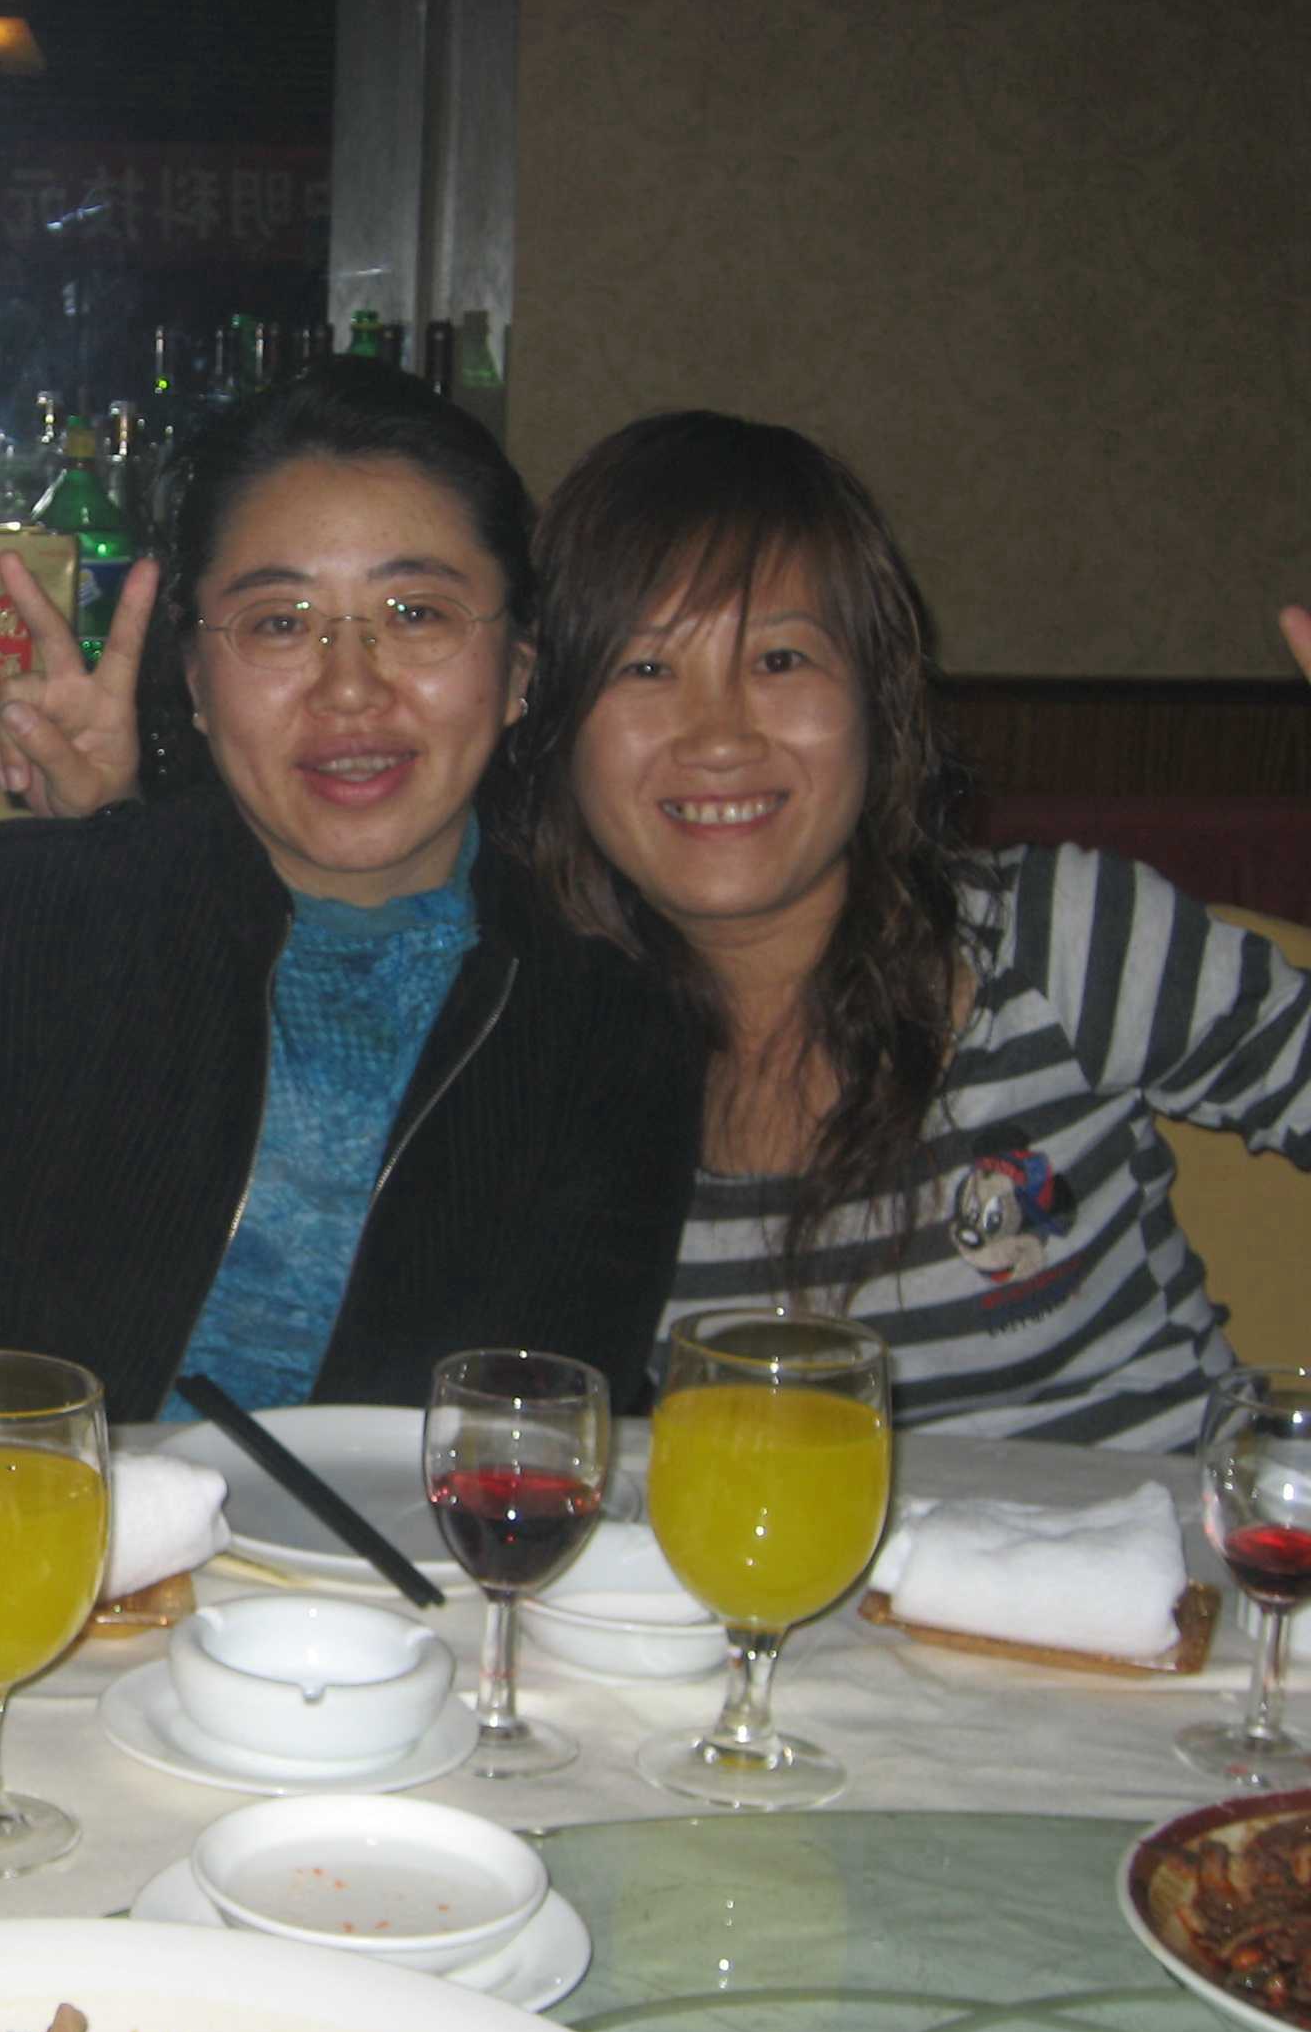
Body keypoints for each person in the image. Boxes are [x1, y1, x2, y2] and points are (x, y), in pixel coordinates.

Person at [0, 361, 705, 1422]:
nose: (350, 687)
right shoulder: (18, 926)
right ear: (194, 678)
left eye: (416, 612)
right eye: (279, 623)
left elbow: (542, 1430)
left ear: (517, 668)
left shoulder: (608, 1015)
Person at [505, 407, 1311, 1448]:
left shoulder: (1056, 942)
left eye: (779, 660)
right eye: (645, 669)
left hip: (1161, 1545)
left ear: (876, 701)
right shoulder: (540, 1061)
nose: (718, 736)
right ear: (552, 721)